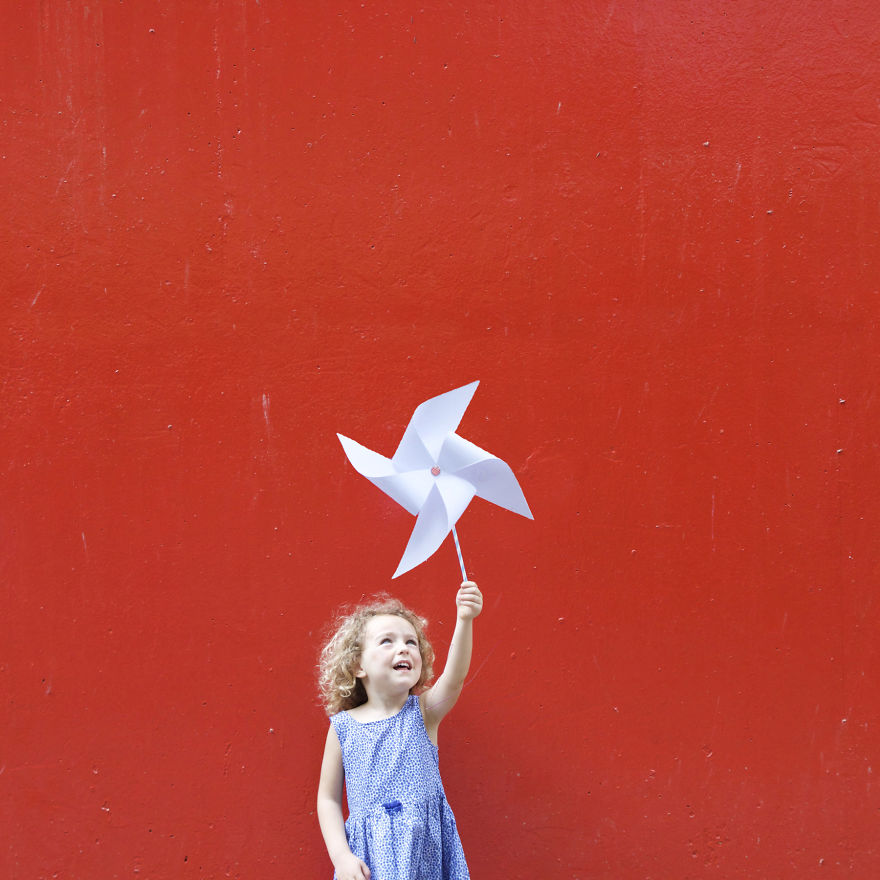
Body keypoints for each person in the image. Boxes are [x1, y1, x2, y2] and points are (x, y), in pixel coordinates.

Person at [316, 581, 483, 880]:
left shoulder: (424, 713)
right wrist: (341, 856)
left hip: (425, 852)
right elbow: (328, 799)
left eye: (411, 642)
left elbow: (454, 678)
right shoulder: (343, 728)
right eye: (387, 641)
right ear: (357, 665)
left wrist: (464, 619)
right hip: (371, 859)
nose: (403, 648)